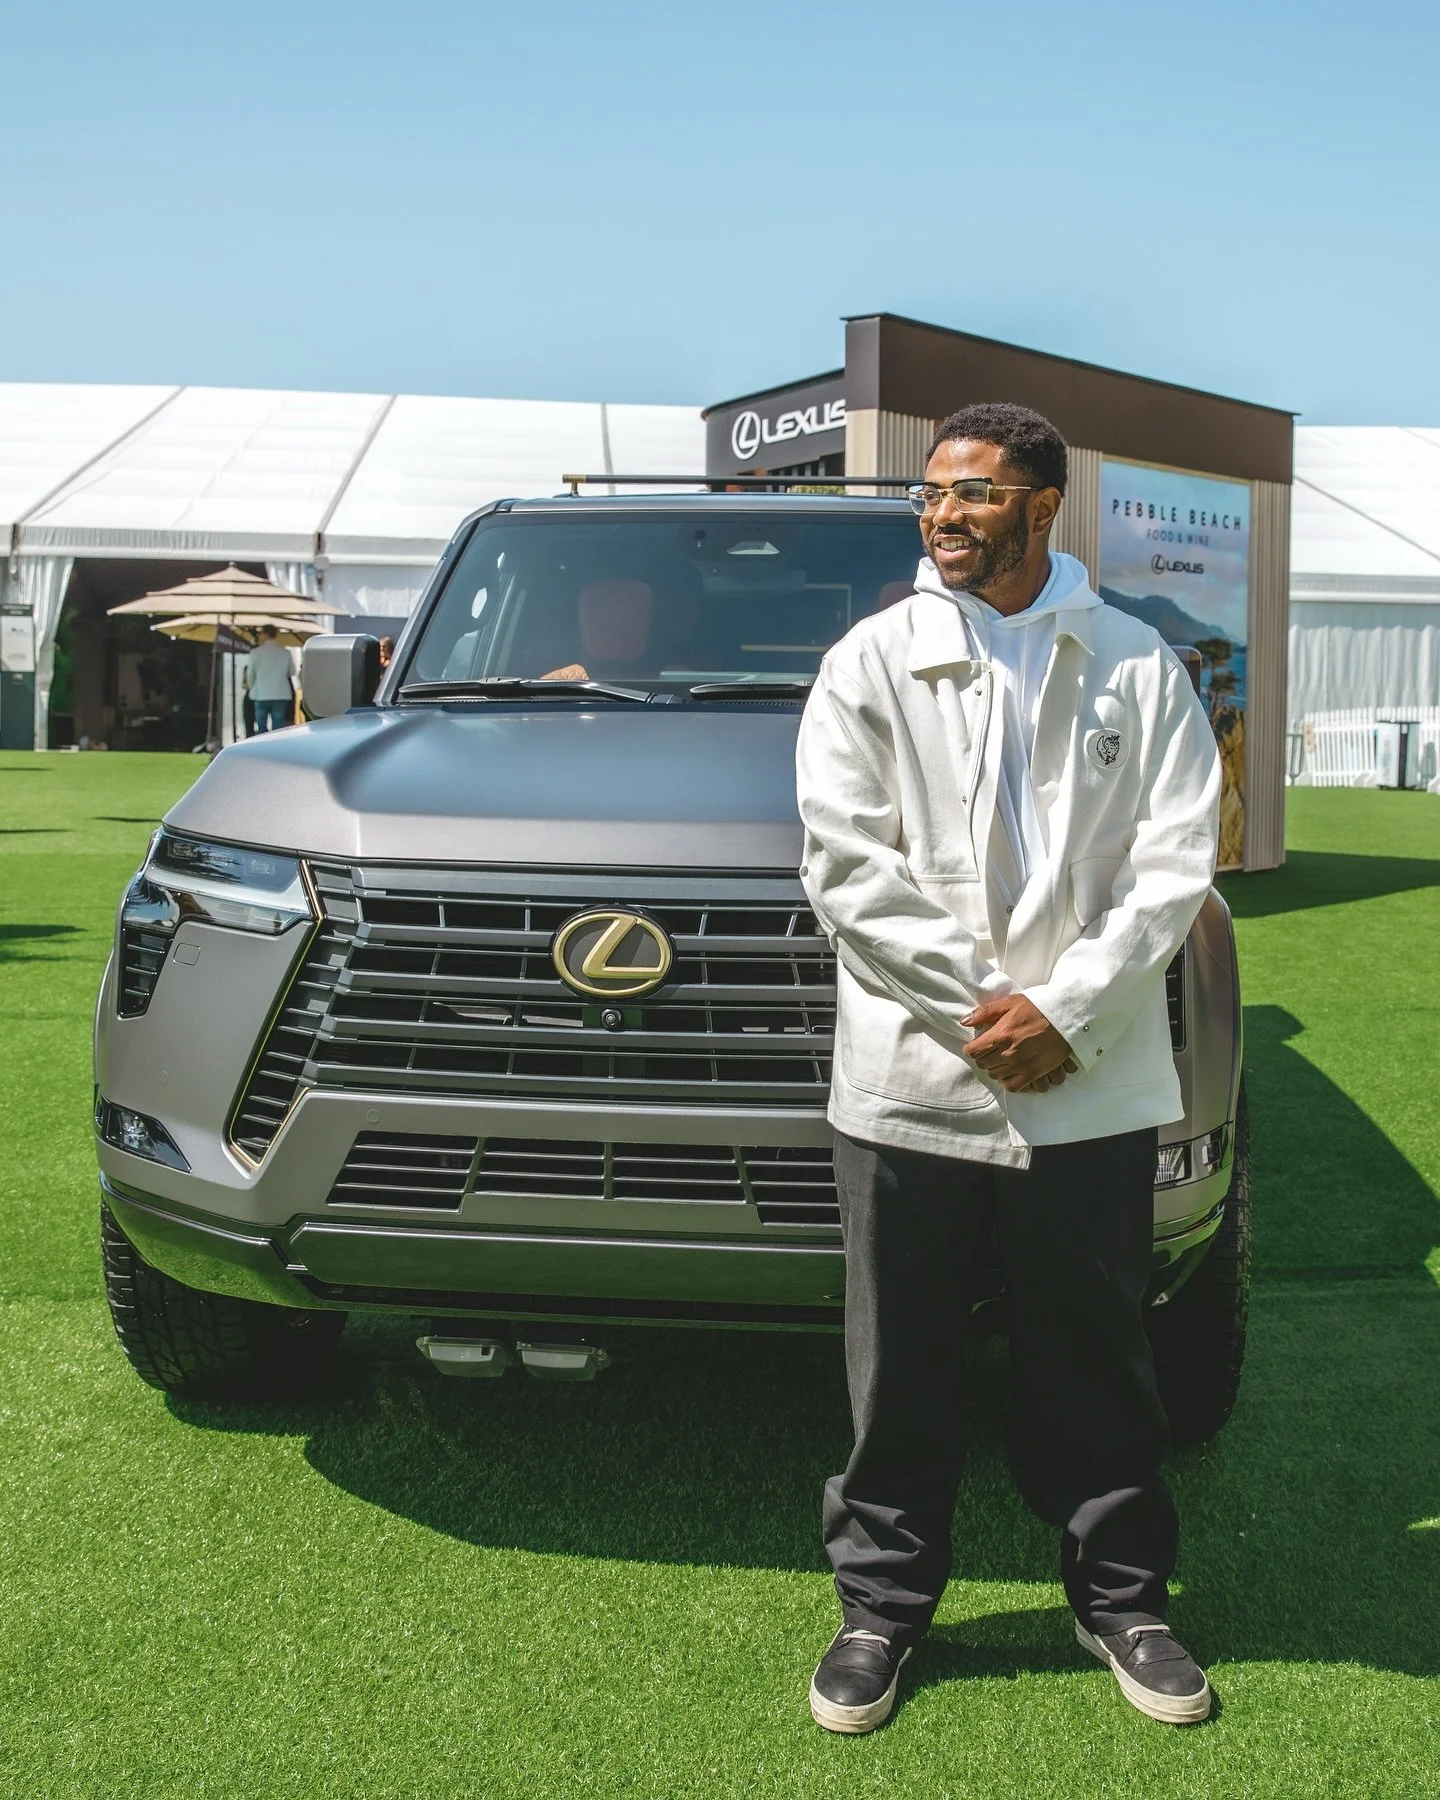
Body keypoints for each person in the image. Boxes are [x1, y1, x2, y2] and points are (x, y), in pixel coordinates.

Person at [795, 403, 1221, 1733]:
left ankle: (1124, 1600)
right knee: (900, 1363)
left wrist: (1066, 1013)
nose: (941, 517)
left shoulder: (1139, 667)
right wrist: (989, 1011)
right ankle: (881, 1611)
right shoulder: (871, 661)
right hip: (912, 1077)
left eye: (972, 494)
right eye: (932, 496)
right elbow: (845, 867)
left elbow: (1172, 871)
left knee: (1095, 1353)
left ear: (1043, 505)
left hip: (1085, 1080)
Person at [242, 624, 295, 733]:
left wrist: (253, 687)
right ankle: (276, 748)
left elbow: (250, 674)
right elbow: (292, 672)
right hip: (280, 693)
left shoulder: (255, 653)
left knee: (261, 725)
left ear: (264, 634)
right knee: (278, 726)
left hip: (261, 693)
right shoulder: (285, 653)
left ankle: (262, 748)